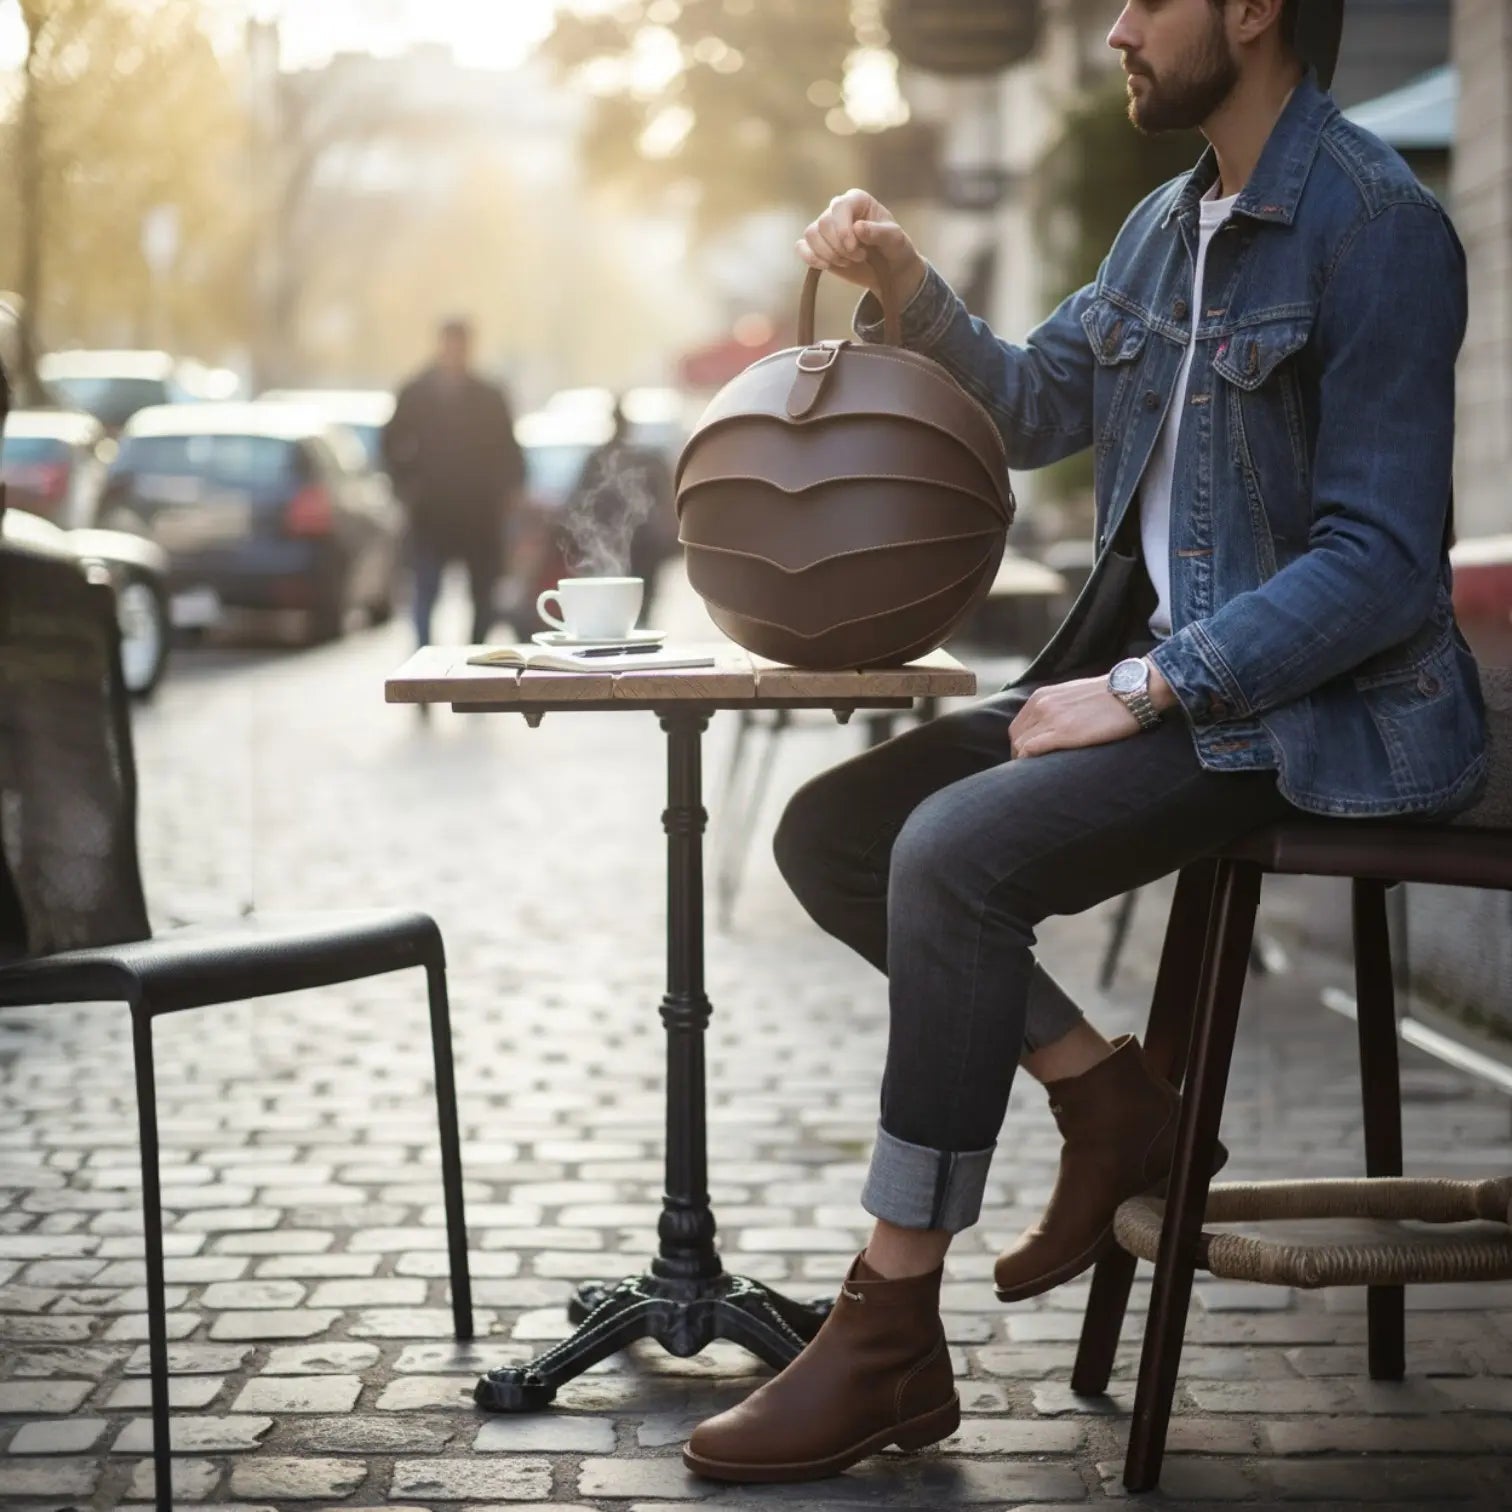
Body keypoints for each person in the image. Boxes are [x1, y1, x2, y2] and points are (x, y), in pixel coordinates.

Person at [682, 0, 1487, 1484]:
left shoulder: (1379, 227)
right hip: (1156, 688)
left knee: (951, 856)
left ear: (1251, 12)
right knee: (833, 832)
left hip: (1301, 712)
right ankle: (1103, 1098)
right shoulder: (1160, 227)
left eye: (1146, 0)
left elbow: (1381, 565)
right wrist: (906, 279)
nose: (1115, 27)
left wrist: (1147, 688)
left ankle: (890, 1325)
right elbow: (1040, 401)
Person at [382, 318, 525, 646]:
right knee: (424, 594)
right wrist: (407, 487)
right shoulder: (416, 393)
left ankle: (472, 663)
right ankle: (423, 670)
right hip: (431, 514)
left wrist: (508, 494)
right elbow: (390, 444)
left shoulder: (489, 396)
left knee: (483, 597)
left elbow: (509, 451)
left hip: (479, 515)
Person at [560, 398, 677, 625]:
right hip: (628, 544)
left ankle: (625, 628)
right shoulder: (645, 459)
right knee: (635, 597)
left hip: (638, 544)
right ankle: (628, 628)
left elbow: (575, 501)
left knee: (627, 595)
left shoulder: (601, 459)